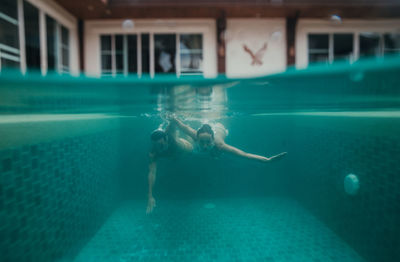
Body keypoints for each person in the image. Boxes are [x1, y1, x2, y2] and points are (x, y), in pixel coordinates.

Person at [170, 116, 287, 162]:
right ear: (197, 138)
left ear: (212, 139)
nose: (205, 146)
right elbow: (181, 124)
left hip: (218, 128)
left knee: (216, 153)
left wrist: (266, 160)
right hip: (204, 134)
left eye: (208, 142)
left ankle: (214, 153)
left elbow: (244, 154)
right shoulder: (194, 134)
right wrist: (172, 118)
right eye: (202, 142)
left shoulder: (220, 145)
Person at [147, 123, 193, 214]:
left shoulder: (169, 134)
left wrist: (171, 116)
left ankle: (187, 135)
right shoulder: (153, 152)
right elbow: (152, 172)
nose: (159, 148)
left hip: (187, 148)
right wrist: (150, 195)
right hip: (175, 155)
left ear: (166, 139)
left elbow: (172, 122)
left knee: (191, 146)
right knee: (174, 156)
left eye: (160, 145)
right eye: (156, 145)